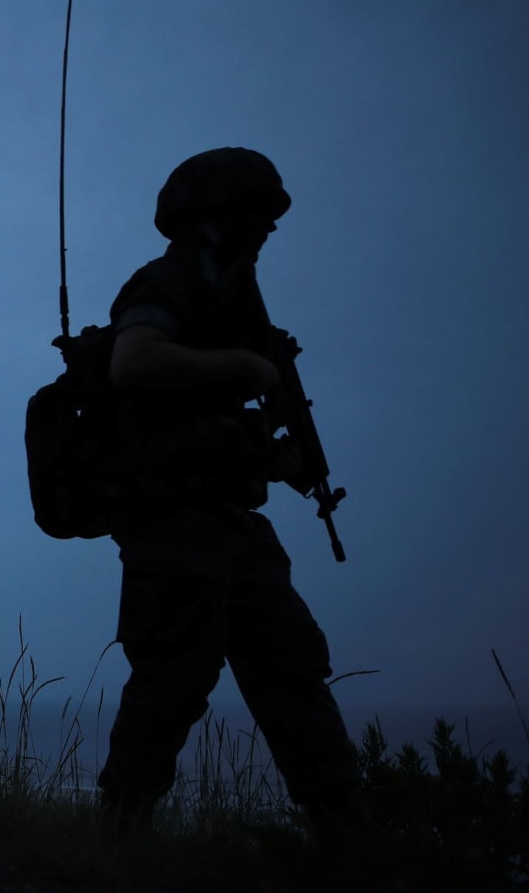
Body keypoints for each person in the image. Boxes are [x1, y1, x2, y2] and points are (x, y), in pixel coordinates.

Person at [94, 147, 362, 837]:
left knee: (292, 673)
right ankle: (117, 840)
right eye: (258, 216)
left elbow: (222, 425)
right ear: (218, 215)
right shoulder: (169, 281)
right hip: (174, 522)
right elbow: (134, 361)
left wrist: (278, 456)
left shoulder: (231, 300)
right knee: (172, 683)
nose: (269, 231)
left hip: (232, 521)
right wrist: (243, 367)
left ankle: (347, 837)